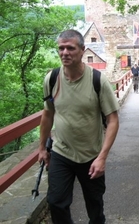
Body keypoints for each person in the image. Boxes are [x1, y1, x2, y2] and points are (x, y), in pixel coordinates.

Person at [38, 29, 119, 224]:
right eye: (61, 48)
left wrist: (102, 157)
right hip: (61, 152)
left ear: (82, 50)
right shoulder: (51, 79)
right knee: (56, 203)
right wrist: (42, 148)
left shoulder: (97, 80)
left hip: (91, 156)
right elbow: (48, 114)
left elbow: (113, 120)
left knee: (95, 206)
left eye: (70, 48)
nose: (65, 52)